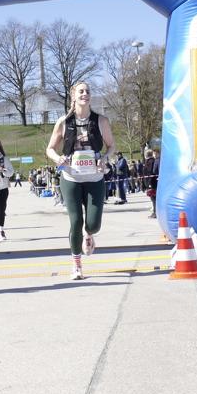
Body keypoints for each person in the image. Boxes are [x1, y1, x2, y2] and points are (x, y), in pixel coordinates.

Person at [46, 81, 117, 280]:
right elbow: (50, 149)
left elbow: (112, 146)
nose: (85, 94)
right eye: (81, 91)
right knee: (76, 221)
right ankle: (76, 265)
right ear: (73, 96)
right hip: (71, 177)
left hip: (94, 178)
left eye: (87, 91)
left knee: (93, 224)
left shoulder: (101, 121)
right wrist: (57, 158)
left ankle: (89, 234)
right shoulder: (63, 122)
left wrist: (105, 158)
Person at [141, 148, 159, 218]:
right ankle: (155, 211)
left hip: (151, 182)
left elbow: (149, 172)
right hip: (152, 182)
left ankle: (155, 212)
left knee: (153, 198)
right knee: (153, 198)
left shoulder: (150, 162)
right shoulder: (151, 161)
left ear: (146, 155)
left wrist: (148, 184)